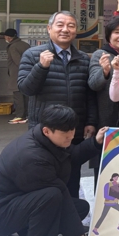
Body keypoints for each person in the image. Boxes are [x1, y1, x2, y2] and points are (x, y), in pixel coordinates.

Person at [0, 105, 107, 236]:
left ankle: (14, 235)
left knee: (80, 208)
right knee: (50, 196)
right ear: (47, 131)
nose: (71, 136)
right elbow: (58, 192)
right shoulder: (32, 156)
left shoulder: (46, 139)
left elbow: (71, 156)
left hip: (16, 203)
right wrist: (75, 233)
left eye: (72, 131)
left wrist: (95, 142)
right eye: (65, 134)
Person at [17, 11, 97, 198]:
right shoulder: (33, 55)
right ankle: (47, 212)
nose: (65, 29)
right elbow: (26, 89)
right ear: (49, 28)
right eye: (60, 25)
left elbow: (89, 95)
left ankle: (71, 211)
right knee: (43, 177)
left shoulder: (83, 59)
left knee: (72, 176)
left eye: (71, 25)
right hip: (44, 131)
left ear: (75, 31)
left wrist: (91, 121)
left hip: (73, 131)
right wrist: (41, 67)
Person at [87, 16, 119, 187]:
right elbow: (93, 84)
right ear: (108, 36)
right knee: (106, 175)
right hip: (109, 123)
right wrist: (105, 71)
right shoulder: (101, 55)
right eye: (116, 32)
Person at [1, 28, 30, 124]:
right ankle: (28, 115)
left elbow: (18, 61)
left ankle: (20, 116)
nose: (4, 38)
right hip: (28, 74)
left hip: (17, 74)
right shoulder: (25, 45)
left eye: (5, 36)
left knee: (18, 96)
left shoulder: (13, 47)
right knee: (26, 96)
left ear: (9, 38)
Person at [92, 170, 119, 236]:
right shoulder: (107, 184)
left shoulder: (118, 184)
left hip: (115, 203)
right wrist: (113, 198)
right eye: (115, 177)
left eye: (117, 177)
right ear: (112, 177)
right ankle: (95, 229)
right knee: (103, 216)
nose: (116, 178)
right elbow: (105, 195)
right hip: (108, 203)